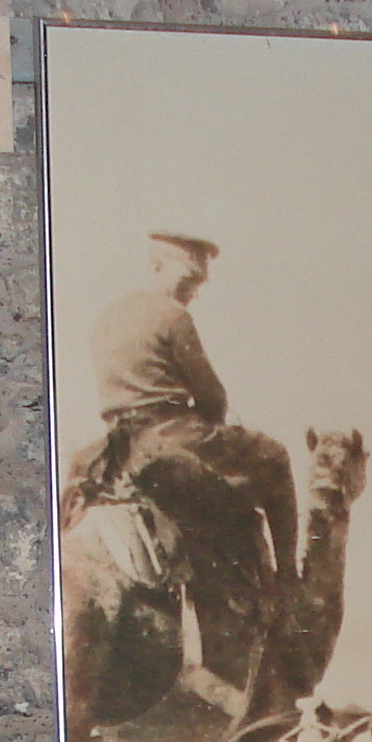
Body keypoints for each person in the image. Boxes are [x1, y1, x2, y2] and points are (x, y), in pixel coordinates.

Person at [81, 227, 299, 599]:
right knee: (275, 457)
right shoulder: (171, 314)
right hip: (172, 436)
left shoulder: (106, 316)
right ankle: (289, 579)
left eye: (197, 284)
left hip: (117, 444)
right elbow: (212, 397)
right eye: (187, 279)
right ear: (155, 266)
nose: (192, 292)